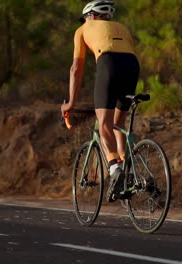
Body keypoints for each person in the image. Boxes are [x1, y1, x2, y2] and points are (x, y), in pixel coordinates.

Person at [60, 0, 140, 202]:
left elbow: (76, 70)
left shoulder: (82, 29)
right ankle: (126, 169)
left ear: (91, 16)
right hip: (132, 66)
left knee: (104, 122)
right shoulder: (122, 27)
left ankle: (114, 167)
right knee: (118, 123)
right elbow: (128, 54)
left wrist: (70, 103)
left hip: (108, 63)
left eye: (85, 17)